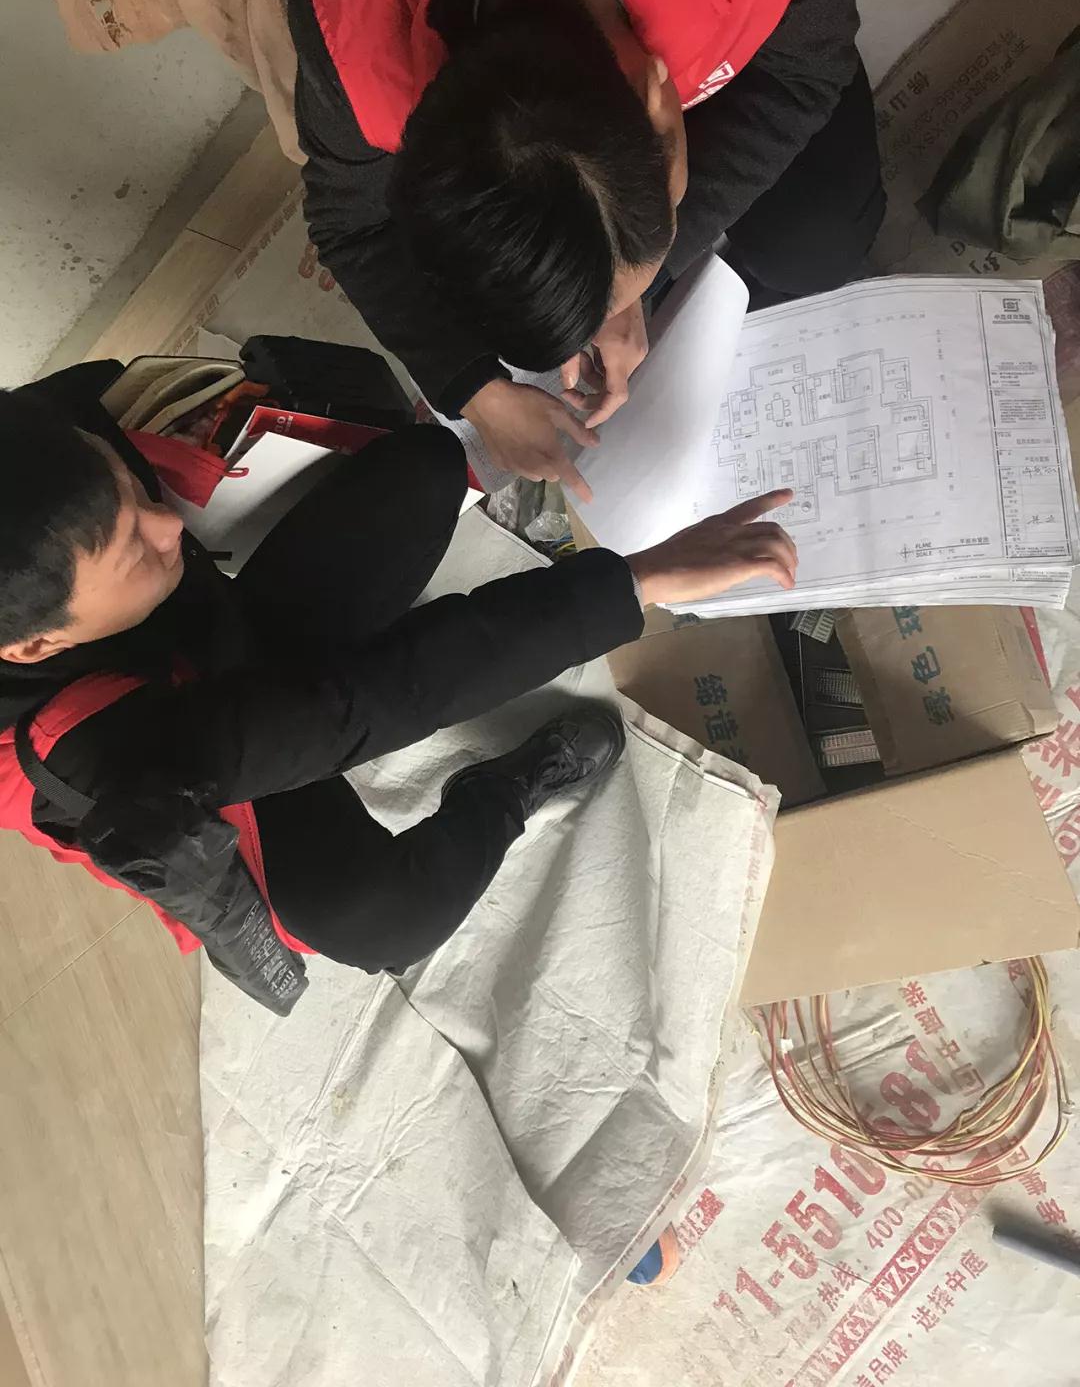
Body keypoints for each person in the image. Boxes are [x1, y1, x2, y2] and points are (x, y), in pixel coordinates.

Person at [0, 363, 796, 1003]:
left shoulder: (34, 452)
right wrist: (636, 581)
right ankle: (500, 794)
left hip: (203, 650)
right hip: (188, 783)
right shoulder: (83, 755)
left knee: (426, 471)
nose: (168, 525)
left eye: (132, 489)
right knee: (385, 922)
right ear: (35, 644)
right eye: (133, 547)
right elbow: (370, 702)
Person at [289, 0, 884, 498]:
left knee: (817, 248)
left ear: (661, 101)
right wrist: (475, 390)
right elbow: (351, 223)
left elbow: (802, 73)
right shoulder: (353, 54)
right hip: (650, 96)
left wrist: (631, 278)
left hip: (745, 38)